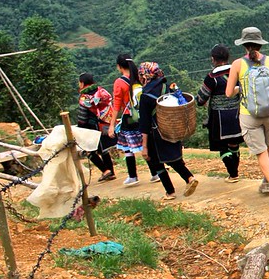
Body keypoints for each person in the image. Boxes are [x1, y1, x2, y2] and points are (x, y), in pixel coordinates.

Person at [226, 27, 269, 204]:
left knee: (261, 152)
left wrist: (242, 89)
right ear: (260, 44)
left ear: (244, 45)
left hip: (249, 115)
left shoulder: (238, 65)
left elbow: (229, 92)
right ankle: (266, 182)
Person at [137, 62, 199, 201]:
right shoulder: (168, 86)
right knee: (174, 159)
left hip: (156, 134)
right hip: (172, 128)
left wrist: (144, 146)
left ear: (145, 76)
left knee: (155, 162)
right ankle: (189, 178)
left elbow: (144, 123)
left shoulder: (146, 95)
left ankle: (170, 192)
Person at [195, 44, 242, 182]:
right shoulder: (237, 72)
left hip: (219, 117)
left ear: (213, 59)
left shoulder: (211, 77)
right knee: (234, 144)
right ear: (227, 58)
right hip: (237, 114)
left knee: (222, 146)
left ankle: (233, 174)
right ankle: (235, 172)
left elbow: (201, 99)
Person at [107, 54, 152, 186]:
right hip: (141, 115)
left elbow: (116, 105)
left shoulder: (119, 82)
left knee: (127, 148)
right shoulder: (139, 78)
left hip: (128, 117)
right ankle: (155, 172)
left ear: (119, 66)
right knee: (146, 144)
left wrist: (112, 125)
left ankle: (133, 176)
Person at [76, 73, 116, 182]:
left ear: (83, 83)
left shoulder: (84, 98)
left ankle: (105, 171)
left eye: (79, 82)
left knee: (90, 151)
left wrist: (80, 130)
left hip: (91, 128)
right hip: (105, 125)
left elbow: (82, 117)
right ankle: (111, 172)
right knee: (104, 150)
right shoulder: (101, 92)